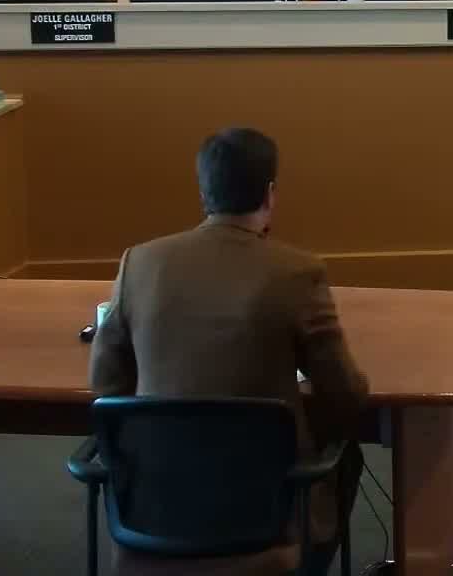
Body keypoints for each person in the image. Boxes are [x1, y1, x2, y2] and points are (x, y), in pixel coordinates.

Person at [89, 128, 368, 573]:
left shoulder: (139, 262)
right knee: (346, 456)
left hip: (159, 502)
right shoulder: (297, 272)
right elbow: (344, 395)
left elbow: (104, 383)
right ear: (270, 194)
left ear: (203, 192)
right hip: (262, 505)